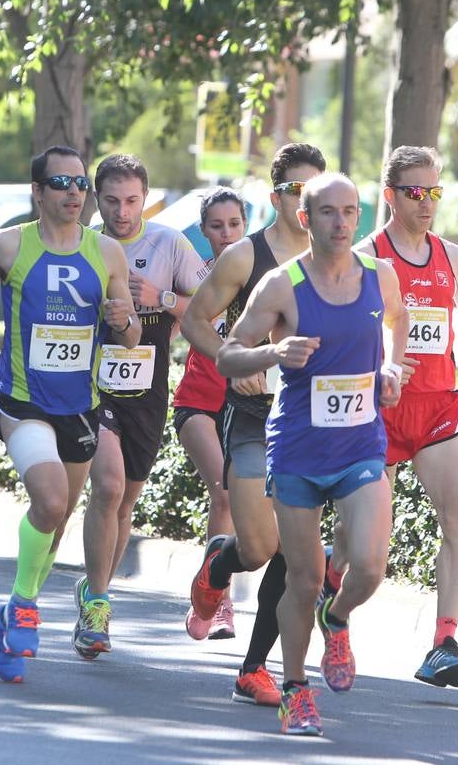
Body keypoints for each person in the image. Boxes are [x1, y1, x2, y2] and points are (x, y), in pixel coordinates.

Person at [218, 173, 406, 736]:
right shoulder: (281, 285)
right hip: (298, 447)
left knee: (370, 564)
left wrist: (392, 368)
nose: (341, 222)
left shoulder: (381, 275)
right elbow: (229, 355)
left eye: (350, 211)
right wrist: (275, 352)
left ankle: (339, 614)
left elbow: (397, 328)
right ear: (306, 218)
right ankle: (296, 689)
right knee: (301, 578)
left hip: (360, 443)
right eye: (328, 212)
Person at [0, 145, 138, 683]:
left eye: (80, 183)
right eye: (60, 184)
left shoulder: (107, 254)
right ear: (37, 192)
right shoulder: (11, 244)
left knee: (54, 524)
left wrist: (124, 319)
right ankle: (24, 606)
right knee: (52, 500)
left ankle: (10, 618)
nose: (74, 193)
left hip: (80, 407)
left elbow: (125, 338)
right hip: (22, 402)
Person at [182, 142, 324, 708]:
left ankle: (254, 668)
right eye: (296, 190)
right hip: (250, 417)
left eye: (317, 189)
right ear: (278, 197)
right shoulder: (246, 256)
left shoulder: (341, 259)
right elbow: (195, 321)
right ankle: (222, 559)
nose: (306, 200)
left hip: (311, 423)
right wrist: (231, 361)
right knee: (259, 546)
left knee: (294, 548)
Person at [355, 146, 458, 688]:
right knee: (366, 548)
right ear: (389, 195)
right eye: (415, 192)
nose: (427, 202)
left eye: (434, 191)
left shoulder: (451, 256)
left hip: (438, 408)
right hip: (380, 412)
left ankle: (444, 642)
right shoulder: (369, 255)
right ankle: (328, 587)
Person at [75, 153, 208, 660]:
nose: (122, 211)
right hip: (93, 383)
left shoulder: (170, 244)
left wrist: (163, 298)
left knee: (125, 500)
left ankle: (93, 590)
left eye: (132, 200)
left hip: (147, 386)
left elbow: (209, 309)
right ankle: (99, 604)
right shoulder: (84, 242)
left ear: (146, 199)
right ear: (96, 199)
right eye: (111, 200)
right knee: (106, 487)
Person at [170, 188, 247, 639]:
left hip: (247, 405)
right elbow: (181, 315)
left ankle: (208, 587)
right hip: (198, 402)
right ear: (204, 232)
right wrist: (164, 295)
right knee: (224, 492)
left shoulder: (262, 275)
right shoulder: (199, 276)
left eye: (234, 224)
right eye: (216, 227)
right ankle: (219, 603)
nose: (226, 234)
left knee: (247, 504)